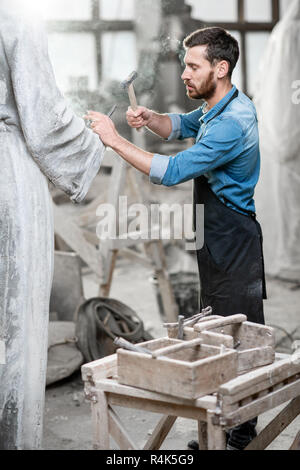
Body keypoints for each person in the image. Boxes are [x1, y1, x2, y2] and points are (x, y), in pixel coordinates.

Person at [86, 27, 266, 450]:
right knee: (218, 332)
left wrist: (113, 140)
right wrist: (150, 119)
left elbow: (171, 172)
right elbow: (180, 125)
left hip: (234, 240)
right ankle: (223, 428)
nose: (184, 73)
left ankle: (239, 436)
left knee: (239, 337)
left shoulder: (234, 122)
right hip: (215, 235)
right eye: (185, 64)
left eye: (193, 66)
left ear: (220, 68)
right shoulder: (215, 107)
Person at [0, 3, 104, 449]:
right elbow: (42, 119)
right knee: (14, 325)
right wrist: (94, 146)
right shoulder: (15, 11)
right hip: (7, 173)